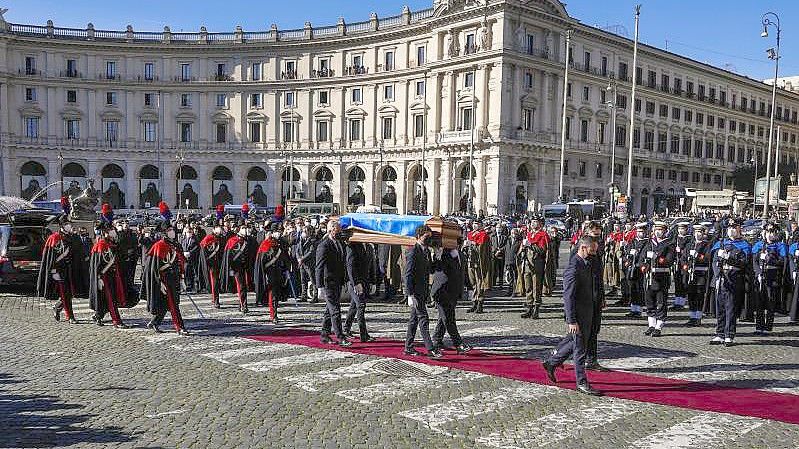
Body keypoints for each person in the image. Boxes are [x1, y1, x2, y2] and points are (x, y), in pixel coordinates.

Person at [542, 236, 603, 396]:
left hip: (588, 313)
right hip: (578, 316)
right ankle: (581, 382)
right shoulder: (574, 267)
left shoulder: (586, 263)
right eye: (592, 250)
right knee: (580, 349)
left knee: (574, 343)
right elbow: (568, 297)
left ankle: (551, 362)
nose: (594, 253)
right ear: (583, 248)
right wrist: (571, 320)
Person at [403, 225, 443, 359]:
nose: (428, 240)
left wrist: (437, 256)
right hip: (415, 292)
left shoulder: (426, 251)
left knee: (414, 320)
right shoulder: (412, 251)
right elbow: (407, 274)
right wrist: (409, 294)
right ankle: (430, 349)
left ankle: (408, 347)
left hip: (423, 291)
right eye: (426, 237)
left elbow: (431, 270)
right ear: (419, 236)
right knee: (423, 319)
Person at [710, 219, 751, 347]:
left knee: (731, 308)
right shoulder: (721, 244)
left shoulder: (744, 245)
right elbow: (714, 262)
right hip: (721, 280)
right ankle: (720, 333)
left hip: (734, 279)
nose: (731, 230)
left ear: (739, 229)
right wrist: (717, 276)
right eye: (729, 228)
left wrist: (729, 258)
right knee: (720, 308)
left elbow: (743, 263)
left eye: (734, 227)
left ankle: (729, 335)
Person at [144, 221, 188, 334]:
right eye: (169, 230)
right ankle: (180, 327)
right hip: (165, 279)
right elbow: (155, 267)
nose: (172, 232)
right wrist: (160, 282)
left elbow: (180, 262)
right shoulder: (159, 245)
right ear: (164, 233)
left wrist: (182, 278)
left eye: (172, 229)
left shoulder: (176, 245)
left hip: (175, 278)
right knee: (173, 305)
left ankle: (155, 322)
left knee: (166, 304)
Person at [315, 220, 352, 347]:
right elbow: (319, 267)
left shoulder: (339, 243)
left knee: (329, 311)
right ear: (331, 229)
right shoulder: (324, 245)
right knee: (335, 310)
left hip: (337, 282)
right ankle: (340, 337)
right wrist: (319, 286)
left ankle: (324, 335)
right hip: (328, 282)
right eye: (337, 230)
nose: (339, 232)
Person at [431, 241, 472, 354]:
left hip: (453, 291)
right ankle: (458, 343)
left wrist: (469, 287)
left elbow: (463, 273)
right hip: (441, 291)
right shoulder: (442, 253)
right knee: (449, 318)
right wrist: (438, 254)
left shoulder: (460, 254)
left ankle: (437, 339)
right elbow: (436, 268)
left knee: (444, 317)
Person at [37, 216, 78, 324]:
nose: (69, 226)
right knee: (65, 293)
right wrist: (53, 271)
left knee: (69, 293)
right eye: (66, 224)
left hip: (69, 269)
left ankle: (57, 307)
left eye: (69, 224)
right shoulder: (54, 238)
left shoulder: (70, 236)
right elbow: (50, 257)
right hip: (58, 270)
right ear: (61, 226)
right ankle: (70, 317)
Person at [88, 222, 127, 328]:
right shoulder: (101, 244)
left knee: (107, 298)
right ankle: (116, 321)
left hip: (113, 274)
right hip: (104, 276)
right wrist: (99, 278)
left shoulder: (112, 243)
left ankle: (98, 316)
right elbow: (98, 264)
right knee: (110, 299)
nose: (113, 231)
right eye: (111, 230)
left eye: (113, 229)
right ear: (105, 233)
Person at [751, 223, 787, 335]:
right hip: (760, 276)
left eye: (772, 233)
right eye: (768, 233)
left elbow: (782, 262)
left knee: (770, 302)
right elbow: (754, 261)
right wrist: (757, 273)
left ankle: (768, 326)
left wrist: (769, 258)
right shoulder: (759, 245)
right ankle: (759, 326)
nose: (770, 235)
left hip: (772, 276)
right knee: (759, 302)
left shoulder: (779, 246)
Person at [642, 221, 674, 337]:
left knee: (660, 302)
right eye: (656, 229)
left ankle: (659, 326)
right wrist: (643, 266)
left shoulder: (669, 244)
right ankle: (651, 325)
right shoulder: (649, 243)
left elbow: (669, 260)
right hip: (649, 277)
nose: (658, 232)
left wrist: (660, 259)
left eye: (661, 230)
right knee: (649, 301)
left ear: (665, 231)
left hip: (661, 277)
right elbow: (642, 257)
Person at [254, 226, 289, 322]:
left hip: (278, 273)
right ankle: (273, 315)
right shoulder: (265, 244)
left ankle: (274, 312)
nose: (278, 233)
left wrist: (286, 269)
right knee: (272, 295)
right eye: (276, 231)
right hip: (269, 273)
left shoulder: (279, 243)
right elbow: (261, 262)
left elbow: (285, 257)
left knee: (276, 295)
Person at [343, 241, 375, 342]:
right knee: (361, 306)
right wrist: (356, 283)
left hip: (365, 281)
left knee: (354, 306)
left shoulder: (369, 246)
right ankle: (363, 334)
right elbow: (350, 266)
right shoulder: (352, 246)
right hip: (355, 282)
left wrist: (373, 282)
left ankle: (346, 329)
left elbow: (372, 265)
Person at [683, 225, 712, 326]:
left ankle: (698, 317)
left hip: (701, 273)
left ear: (703, 234)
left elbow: (708, 258)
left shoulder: (707, 245)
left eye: (700, 232)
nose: (697, 234)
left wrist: (699, 256)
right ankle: (692, 316)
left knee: (699, 295)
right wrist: (684, 265)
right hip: (690, 273)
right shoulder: (690, 245)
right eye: (696, 232)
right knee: (691, 295)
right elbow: (683, 257)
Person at [221, 225, 254, 314]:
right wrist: (230, 268)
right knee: (241, 286)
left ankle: (241, 304)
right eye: (243, 228)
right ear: (239, 229)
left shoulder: (249, 240)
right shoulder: (232, 240)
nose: (245, 230)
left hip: (246, 266)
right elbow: (229, 256)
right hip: (236, 267)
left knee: (245, 286)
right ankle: (244, 305)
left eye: (246, 228)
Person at [199, 225, 223, 308]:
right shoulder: (208, 238)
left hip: (219, 263)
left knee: (217, 282)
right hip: (212, 264)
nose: (220, 229)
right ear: (214, 229)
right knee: (214, 282)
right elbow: (204, 250)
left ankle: (214, 298)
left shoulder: (221, 237)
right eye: (218, 227)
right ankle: (216, 300)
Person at [295, 225, 318, 302]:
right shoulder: (301, 240)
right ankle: (303, 295)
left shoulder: (312, 240)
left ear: (309, 232)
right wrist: (298, 258)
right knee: (303, 280)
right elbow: (297, 250)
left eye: (305, 231)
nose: (303, 233)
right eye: (303, 231)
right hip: (302, 263)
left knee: (313, 280)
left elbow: (311, 252)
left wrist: (302, 259)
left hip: (309, 263)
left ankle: (315, 296)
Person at [490, 223, 508, 288]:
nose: (498, 229)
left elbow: (506, 245)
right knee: (494, 269)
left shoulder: (505, 237)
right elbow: (491, 245)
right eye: (497, 227)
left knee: (501, 270)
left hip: (501, 255)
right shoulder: (492, 236)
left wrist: (500, 250)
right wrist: (495, 250)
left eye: (500, 228)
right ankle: (493, 283)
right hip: (494, 255)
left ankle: (501, 283)